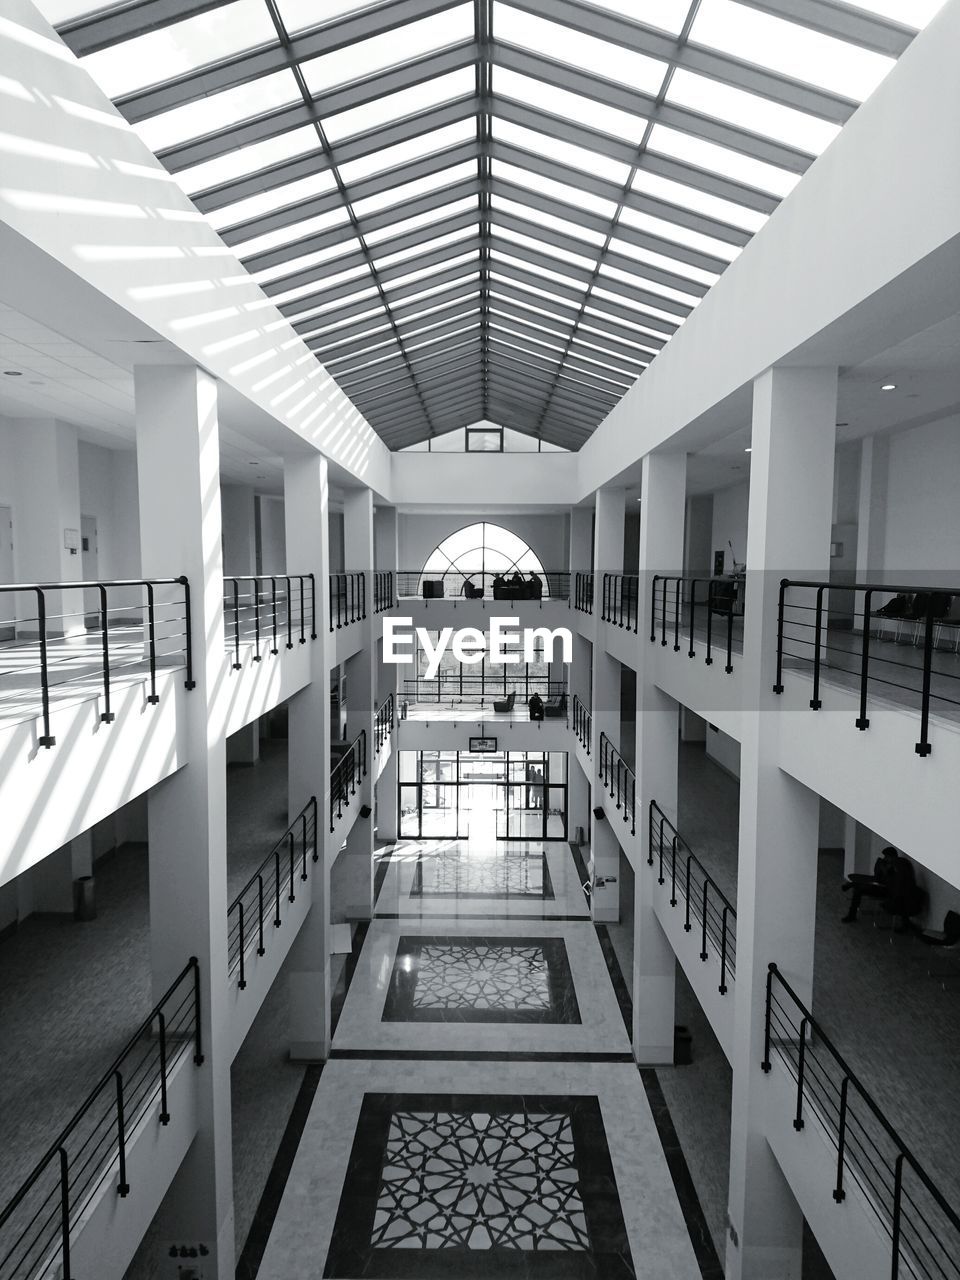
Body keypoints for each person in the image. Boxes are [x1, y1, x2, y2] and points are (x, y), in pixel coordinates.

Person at [842, 847, 922, 929]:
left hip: (889, 891)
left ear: (891, 857)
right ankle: (853, 886)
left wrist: (884, 869)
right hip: (884, 888)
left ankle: (852, 889)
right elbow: (879, 877)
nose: (885, 859)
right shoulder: (894, 865)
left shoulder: (898, 865)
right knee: (859, 889)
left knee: (859, 889)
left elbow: (892, 881)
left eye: (886, 857)